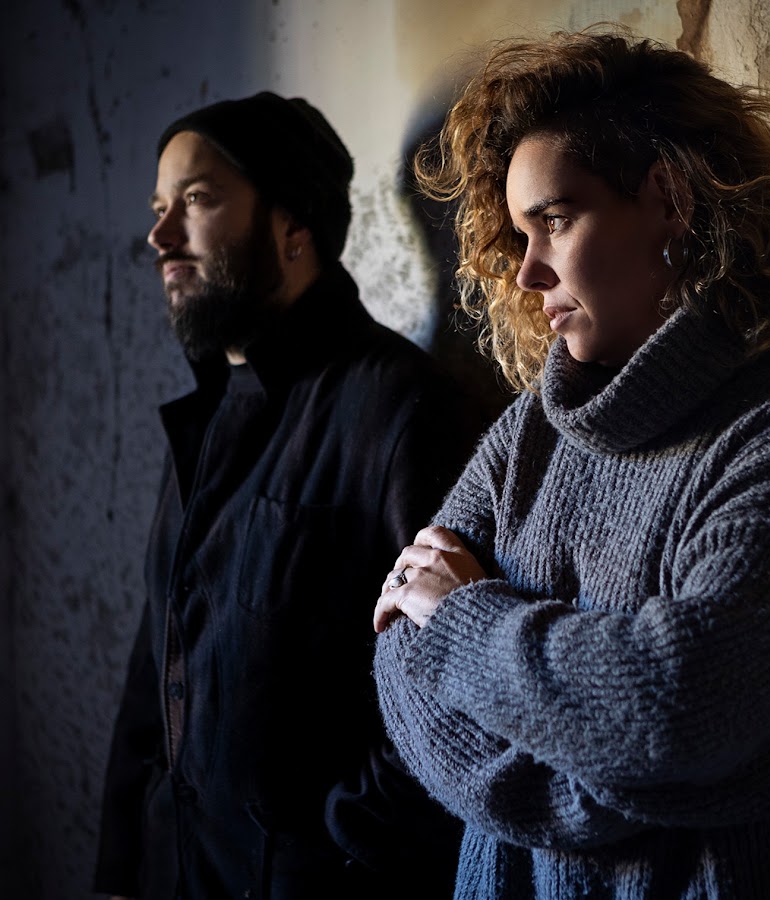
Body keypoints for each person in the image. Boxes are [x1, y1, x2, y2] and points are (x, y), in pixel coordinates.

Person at [372, 26, 770, 900]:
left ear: (668, 199)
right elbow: (398, 654)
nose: (529, 274)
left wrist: (466, 619)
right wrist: (619, 772)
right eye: (520, 234)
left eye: (555, 220)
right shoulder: (527, 434)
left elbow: (679, 705)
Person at [94, 91, 485, 899]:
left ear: (293, 225)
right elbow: (156, 668)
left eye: (197, 200)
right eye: (160, 208)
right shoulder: (204, 419)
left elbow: (457, 686)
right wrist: (122, 868)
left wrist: (335, 850)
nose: (160, 236)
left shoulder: (400, 409)